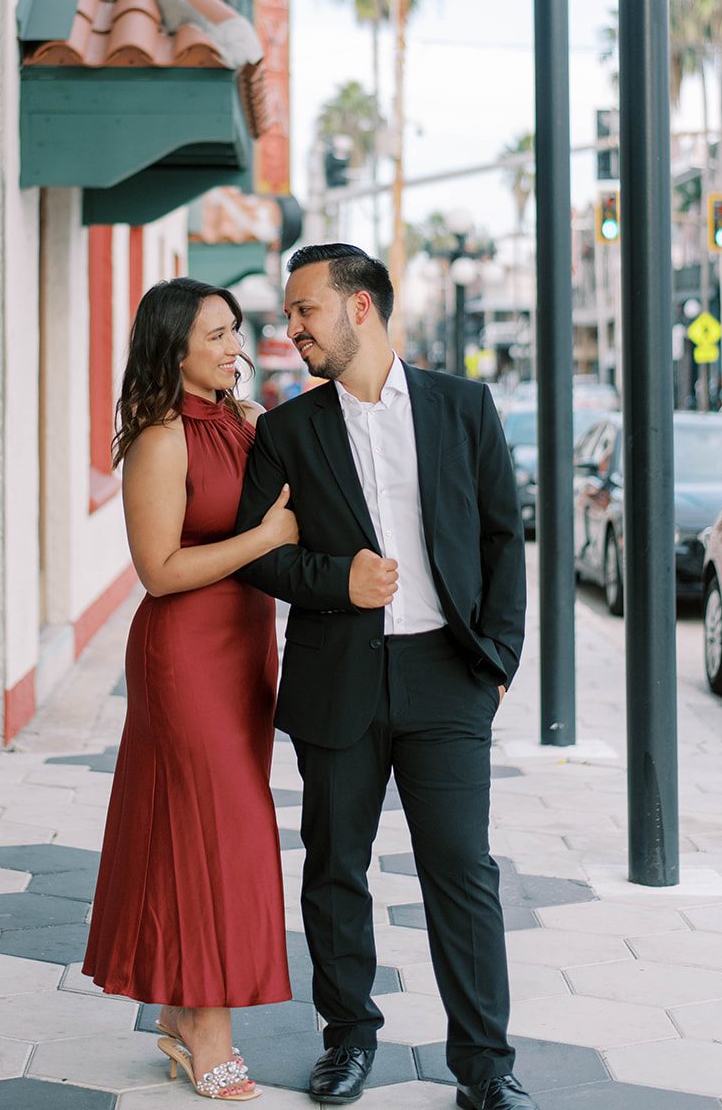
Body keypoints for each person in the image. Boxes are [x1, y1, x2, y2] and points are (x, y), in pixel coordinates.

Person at [235, 244, 537, 1110]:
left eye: (305, 311)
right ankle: (348, 1039)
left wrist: (499, 660)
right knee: (335, 867)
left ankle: (485, 1067)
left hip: (448, 675)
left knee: (461, 872)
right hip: (338, 675)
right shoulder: (288, 430)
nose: (290, 330)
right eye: (290, 316)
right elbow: (262, 558)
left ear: (359, 308)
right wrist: (340, 581)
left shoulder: (463, 407)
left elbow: (499, 537)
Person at [83, 278, 297, 1102]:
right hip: (184, 655)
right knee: (220, 836)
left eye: (236, 331)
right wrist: (265, 535)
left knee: (207, 833)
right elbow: (160, 571)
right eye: (216, 334)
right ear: (173, 347)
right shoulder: (160, 438)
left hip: (247, 648)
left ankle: (177, 1012)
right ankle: (210, 1031)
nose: (233, 346)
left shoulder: (248, 424)